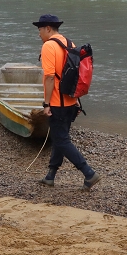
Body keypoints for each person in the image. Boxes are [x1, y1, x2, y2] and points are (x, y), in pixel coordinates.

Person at [34, 14, 100, 189]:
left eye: (40, 29)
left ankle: (88, 173)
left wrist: (46, 104)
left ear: (48, 28)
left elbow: (49, 77)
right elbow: (74, 75)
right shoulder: (69, 43)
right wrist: (77, 100)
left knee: (61, 140)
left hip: (57, 103)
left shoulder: (48, 46)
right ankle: (50, 175)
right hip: (71, 102)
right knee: (59, 139)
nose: (39, 33)